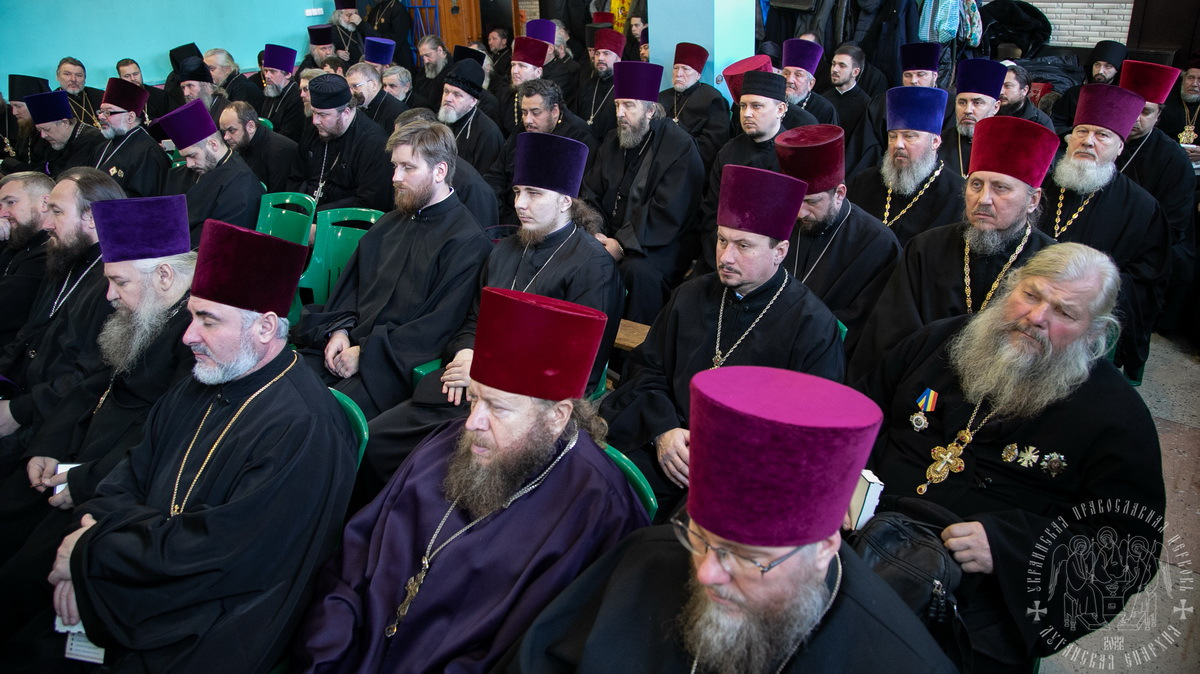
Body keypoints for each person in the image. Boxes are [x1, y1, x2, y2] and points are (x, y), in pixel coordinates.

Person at [6, 219, 357, 672]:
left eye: (207, 320)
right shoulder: (202, 381)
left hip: (206, 622)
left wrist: (90, 555)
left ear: (266, 327)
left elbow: (221, 554)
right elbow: (127, 476)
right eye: (191, 316)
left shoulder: (303, 427)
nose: (188, 335)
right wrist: (88, 550)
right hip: (145, 575)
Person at [512, 366, 957, 673]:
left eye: (745, 556)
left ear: (823, 550)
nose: (706, 572)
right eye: (699, 537)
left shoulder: (897, 659)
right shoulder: (646, 559)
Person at [296, 285, 648, 672]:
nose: (472, 422)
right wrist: (326, 655)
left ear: (556, 417)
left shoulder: (602, 510)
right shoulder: (444, 443)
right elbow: (354, 561)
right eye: (475, 397)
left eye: (497, 408)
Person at [858, 243, 1165, 671]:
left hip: (977, 600)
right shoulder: (939, 342)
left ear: (1094, 333)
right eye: (1031, 294)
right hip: (861, 537)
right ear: (1010, 286)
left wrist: (1010, 548)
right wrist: (846, 485)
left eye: (1064, 312)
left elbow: (1130, 551)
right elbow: (858, 418)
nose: (1037, 317)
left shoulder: (1116, 415)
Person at [360, 132, 620, 500]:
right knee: (375, 441)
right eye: (517, 192)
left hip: (527, 412)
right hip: (469, 387)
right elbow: (473, 320)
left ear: (566, 201)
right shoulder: (504, 250)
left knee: (424, 473)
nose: (520, 204)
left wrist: (489, 371)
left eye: (534, 194)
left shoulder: (593, 267)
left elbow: (581, 372)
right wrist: (467, 352)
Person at [600, 165, 845, 518]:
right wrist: (663, 431)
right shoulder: (689, 296)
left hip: (739, 476)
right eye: (722, 240)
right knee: (594, 487)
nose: (726, 257)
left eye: (743, 245)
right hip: (666, 450)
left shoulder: (813, 327)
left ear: (780, 251)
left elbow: (809, 435)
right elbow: (646, 370)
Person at [0, 195, 195, 635]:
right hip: (70, 454)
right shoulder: (144, 308)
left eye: (119, 282)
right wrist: (47, 445)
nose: (109, 296)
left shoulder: (194, 335)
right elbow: (94, 382)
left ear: (165, 275)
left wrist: (85, 481)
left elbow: (163, 436)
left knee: (20, 582)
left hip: (108, 481)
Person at [293, 120, 492, 418]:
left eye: (408, 168)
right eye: (395, 166)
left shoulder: (467, 242)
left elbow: (438, 327)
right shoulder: (388, 223)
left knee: (322, 415)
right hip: (345, 347)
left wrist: (366, 355)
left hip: (389, 369)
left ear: (440, 171)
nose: (396, 178)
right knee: (282, 382)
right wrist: (339, 331)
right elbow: (352, 288)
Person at [851, 115, 1060, 382]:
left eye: (1000, 188)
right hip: (919, 384)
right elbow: (889, 336)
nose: (983, 199)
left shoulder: (1053, 266)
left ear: (1033, 200)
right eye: (976, 185)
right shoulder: (925, 249)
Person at [1035, 83, 1171, 382]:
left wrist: (1091, 293)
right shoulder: (1040, 185)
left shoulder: (1142, 208)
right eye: (1081, 131)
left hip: (1087, 322)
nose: (1088, 141)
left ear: (1120, 147)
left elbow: (1147, 277)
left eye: (1102, 135)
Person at [0, 169, 123, 475]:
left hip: (51, 421)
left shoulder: (116, 282)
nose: (47, 223)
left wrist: (17, 410)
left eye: (56, 212)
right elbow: (27, 335)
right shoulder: (64, 256)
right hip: (21, 396)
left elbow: (90, 375)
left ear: (91, 217)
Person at [581, 61, 705, 323]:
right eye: (617, 105)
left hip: (662, 240)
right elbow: (591, 192)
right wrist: (596, 233)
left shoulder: (679, 146)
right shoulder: (613, 140)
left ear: (650, 110)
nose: (620, 114)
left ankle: (638, 345)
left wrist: (621, 245)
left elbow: (669, 209)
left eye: (628, 105)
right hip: (610, 234)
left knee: (638, 272)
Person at [775, 125, 900, 355]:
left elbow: (866, 325)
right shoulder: (780, 221)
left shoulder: (878, 244)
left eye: (811, 202)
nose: (800, 213)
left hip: (826, 355)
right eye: (795, 200)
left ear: (840, 193)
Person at [1117, 60, 1196, 334]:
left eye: (1146, 111)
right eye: (1130, 107)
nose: (1135, 117)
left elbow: (1172, 225)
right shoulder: (1102, 141)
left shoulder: (1174, 159)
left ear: (1158, 115)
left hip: (1148, 247)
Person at [692, 69, 793, 276]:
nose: (746, 114)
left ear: (780, 109)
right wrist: (720, 256)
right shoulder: (728, 152)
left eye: (756, 106)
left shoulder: (793, 155)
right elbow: (711, 212)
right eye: (743, 106)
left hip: (771, 264)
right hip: (721, 256)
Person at [847, 86, 965, 245]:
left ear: (935, 142)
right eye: (892, 136)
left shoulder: (957, 195)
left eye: (909, 136)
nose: (898, 144)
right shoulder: (863, 182)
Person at [485, 78, 595, 223]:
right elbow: (496, 176)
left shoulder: (578, 137)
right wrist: (497, 214)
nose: (527, 120)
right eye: (524, 112)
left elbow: (577, 199)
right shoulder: (523, 129)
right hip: (507, 215)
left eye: (535, 113)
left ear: (554, 111)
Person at [159, 99, 264, 243]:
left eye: (192, 155)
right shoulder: (186, 173)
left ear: (213, 145)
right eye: (185, 157)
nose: (188, 164)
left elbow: (221, 241)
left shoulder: (240, 183)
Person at [287, 74, 393, 213]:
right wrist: (296, 212)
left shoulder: (373, 143)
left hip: (343, 222)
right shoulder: (313, 131)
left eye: (323, 115)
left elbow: (369, 201)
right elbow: (295, 178)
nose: (315, 121)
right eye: (314, 112)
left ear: (346, 112)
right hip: (304, 214)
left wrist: (319, 218)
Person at [846, 41, 944, 178]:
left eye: (920, 75)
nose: (913, 81)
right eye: (908, 75)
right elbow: (867, 147)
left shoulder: (948, 105)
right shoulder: (882, 103)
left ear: (934, 76)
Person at [657, 42, 730, 173]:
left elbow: (711, 146)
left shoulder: (713, 99)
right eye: (676, 68)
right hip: (660, 165)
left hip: (692, 168)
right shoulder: (661, 97)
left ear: (698, 75)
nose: (678, 74)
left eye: (685, 69)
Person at [91, 77, 169, 199]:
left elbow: (144, 199)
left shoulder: (148, 152)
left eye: (108, 112)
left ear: (130, 117)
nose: (101, 117)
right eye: (100, 111)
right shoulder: (103, 147)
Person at [0, 172, 54, 346]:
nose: (2, 214)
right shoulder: (16, 242)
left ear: (45, 203)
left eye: (11, 202)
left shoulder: (49, 252)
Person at [940, 58, 1007, 179]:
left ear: (995, 107)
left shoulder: (1008, 147)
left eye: (977, 103)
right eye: (962, 102)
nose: (967, 110)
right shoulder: (938, 144)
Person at [437, 58, 505, 176]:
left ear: (473, 101)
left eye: (457, 94)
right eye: (446, 91)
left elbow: (483, 180)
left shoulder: (488, 134)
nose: (448, 98)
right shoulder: (441, 121)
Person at [1051, 39, 1128, 136]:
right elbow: (1056, 123)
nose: (1100, 71)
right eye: (1097, 65)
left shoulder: (1124, 99)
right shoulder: (1074, 93)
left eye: (1108, 67)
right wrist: (1067, 136)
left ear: (1117, 70)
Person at [220, 100, 300, 193]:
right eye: (224, 131)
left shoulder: (280, 151)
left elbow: (275, 197)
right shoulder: (240, 144)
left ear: (251, 126)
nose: (226, 137)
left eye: (232, 130)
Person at [24, 91, 104, 177]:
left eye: (47, 129)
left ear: (65, 123)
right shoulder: (55, 140)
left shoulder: (91, 140)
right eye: (39, 130)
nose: (43, 135)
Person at [575, 28, 625, 142]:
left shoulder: (624, 89)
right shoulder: (586, 85)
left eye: (606, 53)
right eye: (597, 54)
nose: (600, 58)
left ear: (618, 58)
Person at [497, 36, 551, 137]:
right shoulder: (506, 97)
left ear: (538, 72)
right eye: (513, 65)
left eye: (522, 66)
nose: (515, 71)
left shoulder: (549, 98)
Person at [782, 38, 838, 125]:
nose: (789, 80)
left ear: (810, 84)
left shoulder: (825, 110)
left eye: (798, 75)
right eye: (786, 73)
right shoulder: (772, 101)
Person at [823, 45, 872, 136]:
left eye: (842, 66)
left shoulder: (866, 105)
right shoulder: (823, 100)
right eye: (833, 64)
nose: (835, 69)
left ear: (855, 72)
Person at [261, 44, 305, 142]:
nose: (267, 76)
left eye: (272, 71)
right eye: (266, 71)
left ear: (288, 74)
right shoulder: (271, 91)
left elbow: (289, 136)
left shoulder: (296, 99)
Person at [346, 62, 406, 130]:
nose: (351, 92)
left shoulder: (397, 111)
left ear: (373, 85)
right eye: (348, 87)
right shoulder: (358, 106)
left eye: (355, 86)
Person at [204, 48, 265, 114]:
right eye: (205, 69)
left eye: (211, 69)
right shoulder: (223, 85)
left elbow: (238, 118)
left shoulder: (244, 89)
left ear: (227, 69)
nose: (207, 73)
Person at [997, 62, 1053, 130]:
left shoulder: (1040, 123)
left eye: (1008, 86)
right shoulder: (989, 110)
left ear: (1024, 90)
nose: (1001, 92)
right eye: (999, 85)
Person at [176, 56, 230, 126]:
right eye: (183, 87)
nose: (186, 93)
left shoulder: (227, 110)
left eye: (190, 86)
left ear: (206, 85)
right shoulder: (189, 113)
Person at [365, 0, 416, 71]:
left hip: (397, 59)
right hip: (380, 59)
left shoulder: (398, 8)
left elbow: (396, 38)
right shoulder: (377, 8)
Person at [54, 57, 103, 129]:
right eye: (67, 74)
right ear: (58, 77)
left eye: (78, 75)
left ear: (85, 79)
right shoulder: (51, 101)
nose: (73, 79)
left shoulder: (100, 95)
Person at [413, 35, 454, 106]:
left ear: (440, 50)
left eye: (428, 55)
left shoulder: (454, 71)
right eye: (422, 57)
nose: (425, 61)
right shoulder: (422, 72)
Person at [331, 0, 376, 65]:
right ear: (338, 16)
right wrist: (336, 53)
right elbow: (326, 50)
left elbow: (375, 39)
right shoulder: (331, 30)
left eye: (355, 14)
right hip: (343, 66)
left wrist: (361, 23)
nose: (353, 18)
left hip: (363, 65)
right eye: (349, 15)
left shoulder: (359, 26)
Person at [486, 26, 513, 98]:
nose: (490, 42)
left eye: (494, 39)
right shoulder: (491, 56)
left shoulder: (509, 57)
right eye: (489, 39)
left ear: (504, 41)